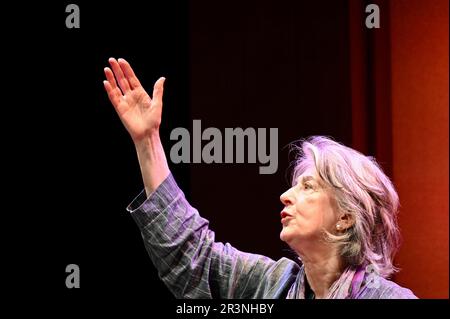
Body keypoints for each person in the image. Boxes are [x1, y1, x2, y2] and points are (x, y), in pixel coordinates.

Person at [103, 58, 417, 299]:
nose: (286, 195)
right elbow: (193, 257)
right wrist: (147, 141)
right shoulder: (270, 285)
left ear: (346, 217)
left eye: (308, 186)